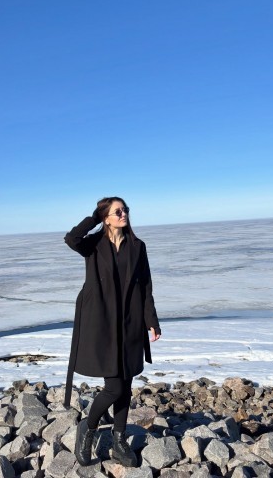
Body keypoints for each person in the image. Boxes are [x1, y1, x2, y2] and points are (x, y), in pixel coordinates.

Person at [64, 197, 161, 467]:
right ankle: (88, 427)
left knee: (126, 384)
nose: (123, 214)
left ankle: (119, 440)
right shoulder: (93, 244)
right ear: (106, 217)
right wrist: (94, 218)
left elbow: (145, 285)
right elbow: (71, 238)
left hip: (130, 321)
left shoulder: (137, 246)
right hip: (103, 321)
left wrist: (151, 320)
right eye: (117, 211)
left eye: (125, 209)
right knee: (114, 386)